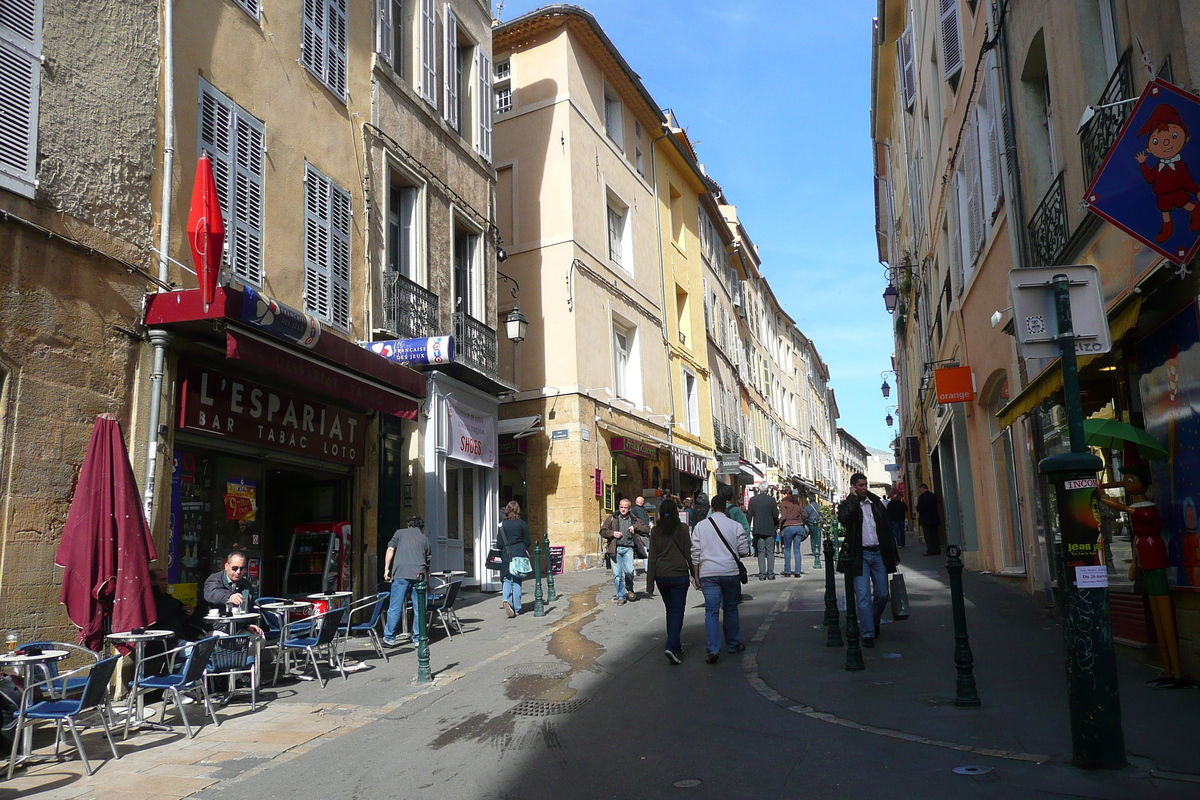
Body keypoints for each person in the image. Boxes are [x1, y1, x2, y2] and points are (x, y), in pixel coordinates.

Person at [1099, 465, 1184, 688]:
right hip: (1144, 555)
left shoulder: (1147, 509)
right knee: (1156, 613)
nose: (1125, 483)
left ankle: (1176, 671)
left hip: (1153, 555)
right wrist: (1135, 562)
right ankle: (1167, 669)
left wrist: (1105, 497)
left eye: (1129, 480)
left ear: (1141, 482)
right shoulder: (1138, 515)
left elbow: (1128, 510)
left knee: (1164, 613)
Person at [837, 473, 899, 648]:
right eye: (860, 485)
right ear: (853, 487)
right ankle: (868, 633)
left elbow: (887, 530)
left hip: (878, 553)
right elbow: (843, 518)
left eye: (865, 485)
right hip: (860, 555)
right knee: (863, 597)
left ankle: (873, 621)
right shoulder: (851, 504)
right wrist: (853, 499)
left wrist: (894, 555)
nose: (864, 488)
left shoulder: (876, 503)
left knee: (882, 594)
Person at [691, 494, 751, 663]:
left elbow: (695, 554)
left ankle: (713, 649)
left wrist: (696, 575)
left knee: (711, 611)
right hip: (730, 572)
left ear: (711, 508)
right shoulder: (735, 526)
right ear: (725, 509)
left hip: (708, 573)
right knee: (731, 609)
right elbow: (744, 551)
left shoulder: (700, 527)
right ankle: (733, 644)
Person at [645, 498, 694, 664]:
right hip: (679, 574)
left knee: (670, 610)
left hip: (661, 576)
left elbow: (652, 558)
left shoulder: (656, 531)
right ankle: (672, 646)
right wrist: (695, 575)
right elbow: (689, 553)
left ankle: (676, 645)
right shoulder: (682, 528)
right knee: (678, 611)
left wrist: (650, 584)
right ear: (676, 512)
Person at [382, 516, 432, 647]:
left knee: (395, 607)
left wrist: (386, 569)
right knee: (420, 608)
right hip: (419, 576)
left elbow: (390, 549)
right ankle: (418, 638)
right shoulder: (425, 539)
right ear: (422, 527)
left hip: (401, 574)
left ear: (408, 525)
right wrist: (429, 584)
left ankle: (389, 638)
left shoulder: (399, 533)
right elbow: (427, 566)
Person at [199, 551, 264, 635]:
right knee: (227, 642)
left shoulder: (246, 585)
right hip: (214, 627)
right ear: (226, 566)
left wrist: (248, 624)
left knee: (258, 639)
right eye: (234, 568)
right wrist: (230, 597)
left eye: (242, 568)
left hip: (237, 627)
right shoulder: (214, 579)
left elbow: (249, 608)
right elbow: (212, 594)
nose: (238, 572)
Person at [600, 498, 649, 604]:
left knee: (629, 572)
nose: (623, 509)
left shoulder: (634, 519)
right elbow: (603, 531)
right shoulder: (612, 518)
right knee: (617, 575)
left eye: (625, 508)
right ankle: (621, 596)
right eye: (621, 507)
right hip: (615, 549)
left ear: (629, 508)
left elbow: (646, 530)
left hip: (628, 549)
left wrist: (635, 527)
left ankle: (629, 589)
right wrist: (612, 533)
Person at [499, 501, 532, 618]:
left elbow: (499, 543)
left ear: (507, 510)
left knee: (507, 579)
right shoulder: (522, 524)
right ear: (518, 510)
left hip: (507, 555)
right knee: (517, 581)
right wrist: (521, 547)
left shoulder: (503, 524)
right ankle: (517, 608)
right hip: (519, 554)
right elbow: (528, 541)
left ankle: (506, 600)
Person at [149, 569, 201, 642]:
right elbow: (163, 615)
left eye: (166, 580)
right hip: (164, 642)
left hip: (179, 637)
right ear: (152, 582)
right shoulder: (150, 601)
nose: (166, 583)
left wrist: (187, 611)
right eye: (162, 580)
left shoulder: (166, 597)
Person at [747, 487, 780, 580]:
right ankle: (770, 574)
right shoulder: (771, 500)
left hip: (758, 529)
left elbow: (749, 515)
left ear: (759, 489)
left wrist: (747, 526)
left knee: (761, 552)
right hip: (769, 529)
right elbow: (776, 515)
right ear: (767, 490)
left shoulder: (753, 500)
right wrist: (775, 524)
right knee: (770, 552)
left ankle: (762, 575)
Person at [778, 486, 807, 577]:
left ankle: (788, 571)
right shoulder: (796, 502)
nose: (781, 496)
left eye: (782, 494)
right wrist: (799, 520)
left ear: (785, 494)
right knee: (797, 550)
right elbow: (805, 514)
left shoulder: (784, 503)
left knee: (787, 549)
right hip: (798, 527)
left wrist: (779, 524)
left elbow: (784, 516)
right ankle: (798, 572)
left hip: (788, 527)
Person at [916, 483, 941, 555]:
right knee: (935, 534)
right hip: (934, 518)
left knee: (928, 535)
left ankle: (930, 550)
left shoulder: (922, 497)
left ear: (922, 488)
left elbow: (920, 508)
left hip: (926, 519)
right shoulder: (933, 496)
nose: (920, 491)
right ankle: (937, 549)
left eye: (920, 489)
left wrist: (916, 507)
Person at [804, 497, 822, 562]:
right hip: (818, 524)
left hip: (810, 524)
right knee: (818, 537)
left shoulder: (807, 507)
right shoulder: (819, 507)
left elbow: (805, 516)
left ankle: (814, 550)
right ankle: (818, 550)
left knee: (812, 537)